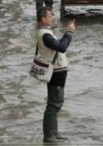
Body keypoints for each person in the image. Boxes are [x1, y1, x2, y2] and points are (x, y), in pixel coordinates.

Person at [36, 7, 75, 143]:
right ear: (43, 19)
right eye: (49, 16)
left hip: (57, 72)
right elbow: (62, 46)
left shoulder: (46, 32)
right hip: (55, 72)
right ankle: (49, 136)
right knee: (54, 104)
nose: (52, 18)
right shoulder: (45, 34)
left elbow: (58, 46)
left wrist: (67, 32)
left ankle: (54, 132)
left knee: (55, 102)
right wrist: (69, 32)